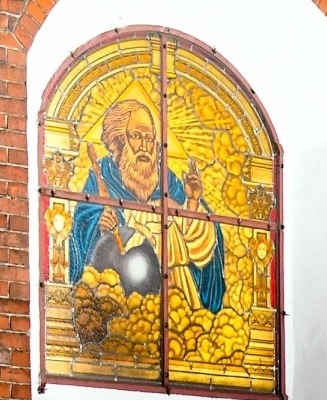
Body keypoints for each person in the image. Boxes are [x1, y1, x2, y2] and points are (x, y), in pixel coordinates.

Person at [69, 98, 226, 312]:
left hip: (178, 293)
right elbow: (81, 227)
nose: (145, 146)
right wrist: (101, 226)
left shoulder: (169, 182)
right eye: (136, 136)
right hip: (126, 292)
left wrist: (193, 201)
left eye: (150, 138)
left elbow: (204, 242)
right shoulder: (102, 176)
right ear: (119, 140)